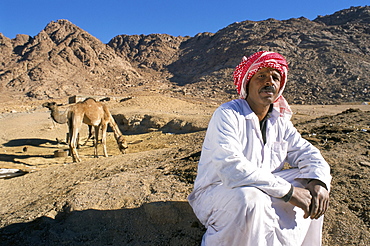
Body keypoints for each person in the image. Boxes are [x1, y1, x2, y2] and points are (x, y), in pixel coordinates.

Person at [188, 51, 331, 246]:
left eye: (275, 77)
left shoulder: (280, 122)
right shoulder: (228, 114)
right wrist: (288, 192)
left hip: (263, 188)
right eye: (261, 76)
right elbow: (231, 168)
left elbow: (308, 154)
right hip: (219, 191)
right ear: (247, 82)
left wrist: (318, 181)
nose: (269, 82)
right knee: (250, 199)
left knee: (313, 181)